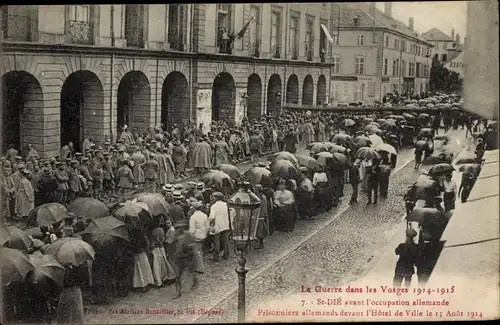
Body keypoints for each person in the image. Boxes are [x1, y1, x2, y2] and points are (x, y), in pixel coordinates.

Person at [208, 192, 230, 260]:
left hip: (217, 225)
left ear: (216, 198)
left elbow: (212, 217)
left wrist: (208, 221)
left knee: (216, 241)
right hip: (226, 224)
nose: (212, 198)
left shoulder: (214, 206)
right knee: (226, 240)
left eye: (213, 197)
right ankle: (226, 255)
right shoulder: (226, 205)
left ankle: (216, 256)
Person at [254, 185, 269, 249]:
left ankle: (260, 244)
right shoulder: (260, 197)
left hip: (260, 216)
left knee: (260, 231)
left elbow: (262, 208)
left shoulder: (261, 197)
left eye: (255, 189)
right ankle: (259, 243)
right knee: (258, 230)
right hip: (258, 215)